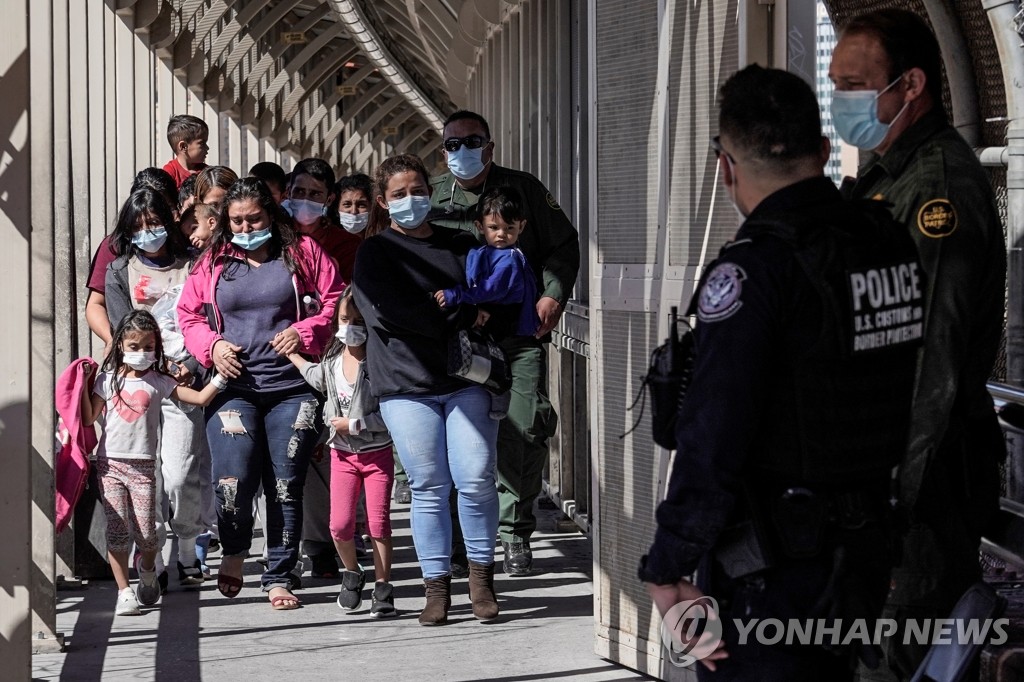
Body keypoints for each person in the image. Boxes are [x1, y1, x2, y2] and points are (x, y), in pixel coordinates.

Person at [639, 65, 925, 680]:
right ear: (823, 151)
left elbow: (712, 433)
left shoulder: (754, 272)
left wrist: (668, 567)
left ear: (726, 165)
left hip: (770, 567)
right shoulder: (886, 241)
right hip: (866, 548)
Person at [829, 10, 1007, 679]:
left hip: (918, 502)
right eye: (835, 85)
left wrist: (892, 502)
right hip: (881, 489)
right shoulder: (886, 179)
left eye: (856, 84)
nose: (844, 100)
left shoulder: (936, 188)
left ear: (910, 86)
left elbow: (933, 361)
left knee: (890, 664)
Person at [177, 177, 343, 610]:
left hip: (293, 389)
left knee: (285, 484)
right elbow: (188, 314)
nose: (247, 228)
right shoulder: (212, 261)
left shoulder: (304, 254)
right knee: (232, 481)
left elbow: (335, 302)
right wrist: (210, 347)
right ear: (224, 222)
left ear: (272, 215)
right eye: (237, 221)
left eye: (255, 219)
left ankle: (280, 574)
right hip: (232, 388)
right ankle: (233, 551)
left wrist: (305, 331)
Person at [428, 110, 580, 576]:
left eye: (471, 142)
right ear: (443, 150)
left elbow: (564, 245)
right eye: (453, 144)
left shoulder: (524, 189)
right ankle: (459, 541)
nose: (462, 151)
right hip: (461, 340)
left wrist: (553, 295)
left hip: (520, 334)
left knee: (523, 423)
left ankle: (515, 533)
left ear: (489, 147)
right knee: (457, 434)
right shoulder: (432, 196)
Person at [353, 153, 502, 625]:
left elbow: (493, 295)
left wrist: (457, 310)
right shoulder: (375, 252)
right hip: (404, 385)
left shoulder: (462, 243)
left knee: (476, 476)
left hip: (465, 378)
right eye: (399, 194)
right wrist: (457, 313)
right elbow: (390, 315)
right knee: (428, 485)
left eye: (418, 190)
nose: (411, 200)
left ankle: (481, 577)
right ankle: (436, 587)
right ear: (384, 201)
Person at [79, 310, 226, 615]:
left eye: (149, 347)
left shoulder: (159, 381)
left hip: (144, 468)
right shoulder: (106, 381)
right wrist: (81, 386)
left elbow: (197, 399)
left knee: (147, 534)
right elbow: (88, 417)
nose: (142, 353)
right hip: (110, 466)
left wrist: (222, 377)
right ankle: (123, 591)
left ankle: (148, 569)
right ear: (120, 345)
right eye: (134, 347)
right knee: (117, 531)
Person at [103, 187, 210, 588]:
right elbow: (120, 331)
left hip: (183, 381)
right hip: (138, 391)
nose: (150, 233)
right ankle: (155, 557)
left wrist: (192, 364)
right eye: (140, 227)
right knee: (151, 480)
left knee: (182, 474)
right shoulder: (119, 272)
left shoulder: (194, 264)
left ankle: (187, 546)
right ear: (129, 232)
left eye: (156, 224)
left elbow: (208, 318)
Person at [287, 287, 397, 617]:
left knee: (378, 525)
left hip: (377, 455)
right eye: (345, 319)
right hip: (342, 456)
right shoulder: (332, 363)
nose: (350, 327)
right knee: (339, 524)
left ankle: (383, 585)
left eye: (359, 320)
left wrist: (357, 425)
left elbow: (391, 416)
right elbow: (315, 377)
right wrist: (292, 354)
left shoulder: (381, 364)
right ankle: (352, 574)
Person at [434, 185, 540, 419]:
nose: (501, 234)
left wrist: (456, 295)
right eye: (494, 228)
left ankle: (499, 398)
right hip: (495, 322)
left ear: (521, 227)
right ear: (480, 226)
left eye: (509, 228)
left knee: (497, 366)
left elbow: (488, 289)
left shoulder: (509, 259)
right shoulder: (486, 252)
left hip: (505, 327)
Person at [85, 168, 178, 349]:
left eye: (155, 219)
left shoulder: (188, 250)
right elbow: (95, 304)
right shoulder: (115, 252)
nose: (147, 229)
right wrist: (114, 340)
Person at [161, 114, 209, 189]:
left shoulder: (206, 173)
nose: (207, 148)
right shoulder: (170, 173)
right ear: (183, 146)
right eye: (202, 143)